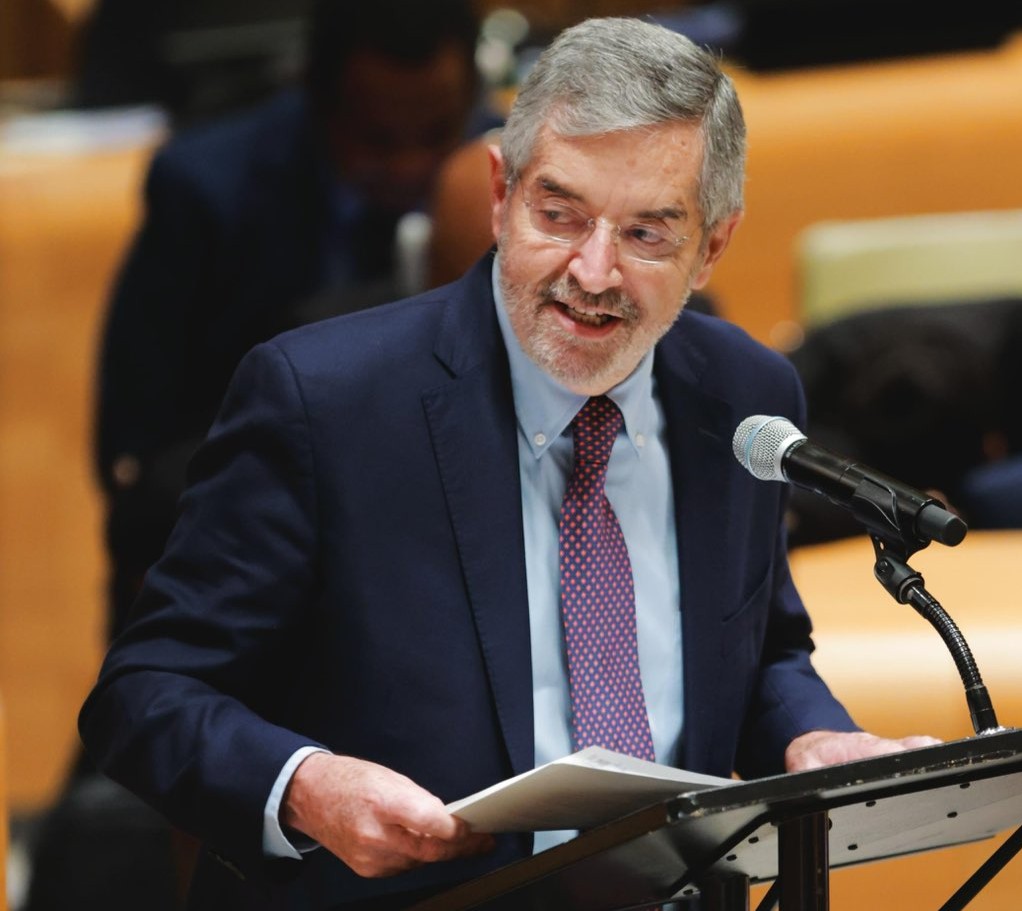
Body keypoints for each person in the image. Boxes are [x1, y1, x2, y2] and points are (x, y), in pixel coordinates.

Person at [79, 17, 934, 910]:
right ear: (501, 193)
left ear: (712, 245)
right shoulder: (323, 402)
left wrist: (810, 737)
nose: (593, 272)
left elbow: (757, 652)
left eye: (647, 234)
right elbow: (145, 692)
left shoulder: (742, 395)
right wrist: (304, 785)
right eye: (559, 215)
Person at [95, 0, 496, 640]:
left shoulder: (512, 176)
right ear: (317, 99)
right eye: (377, 139)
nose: (409, 166)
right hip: (246, 549)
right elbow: (134, 437)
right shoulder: (203, 191)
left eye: (437, 132)